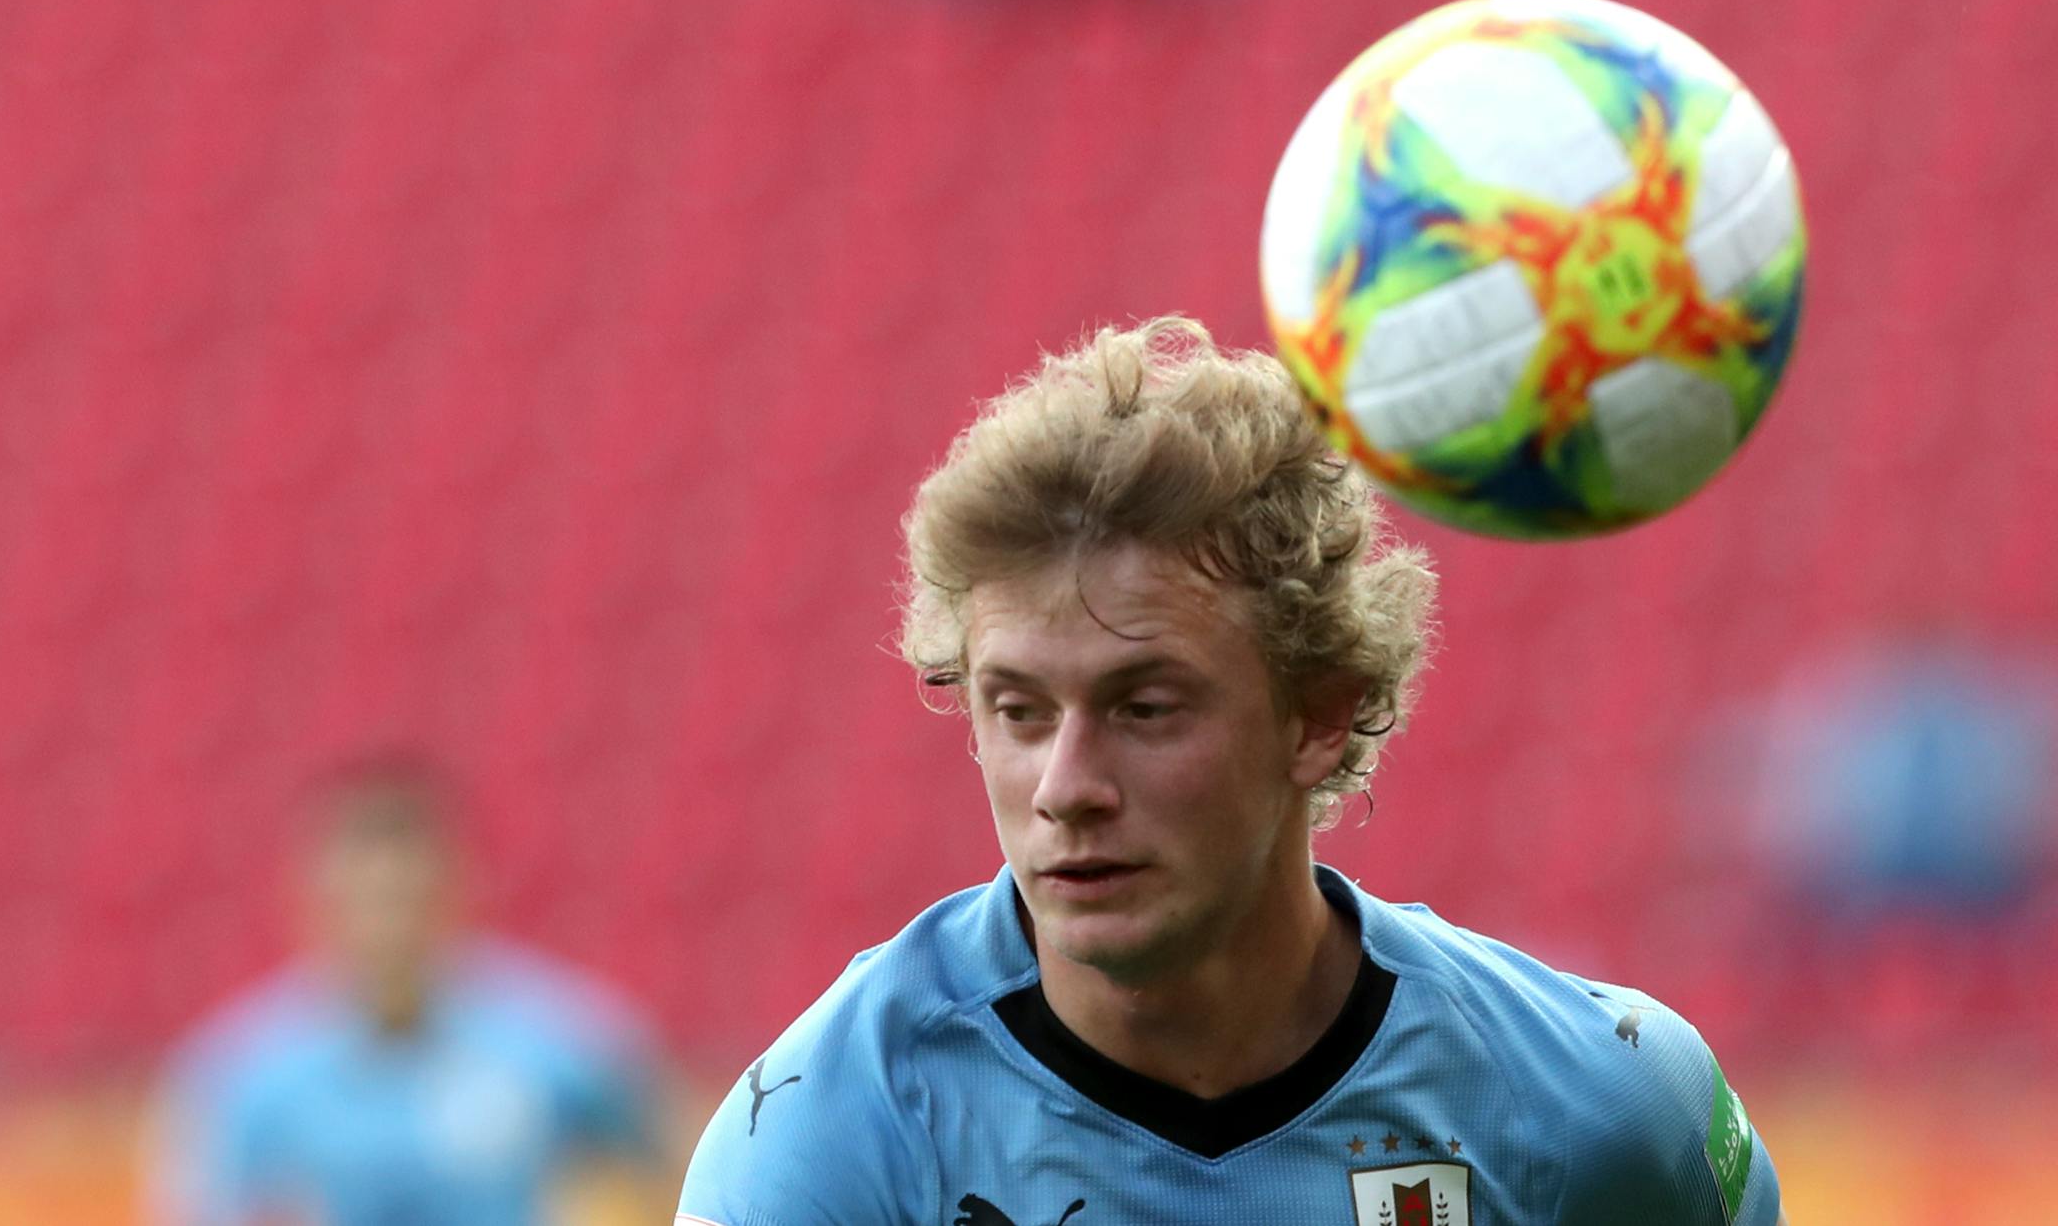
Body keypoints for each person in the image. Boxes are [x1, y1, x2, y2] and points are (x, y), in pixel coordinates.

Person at [677, 318, 1785, 1224]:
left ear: (1319, 714)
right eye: (1018, 710)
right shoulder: (841, 1129)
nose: (1065, 785)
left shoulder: (1592, 1107)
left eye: (1144, 707)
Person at [149, 755, 673, 1226]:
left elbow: (670, 1174)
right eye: (367, 900)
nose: (388, 927)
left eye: (404, 897)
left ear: (455, 886)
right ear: (314, 899)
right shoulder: (244, 1073)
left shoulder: (562, 1039)